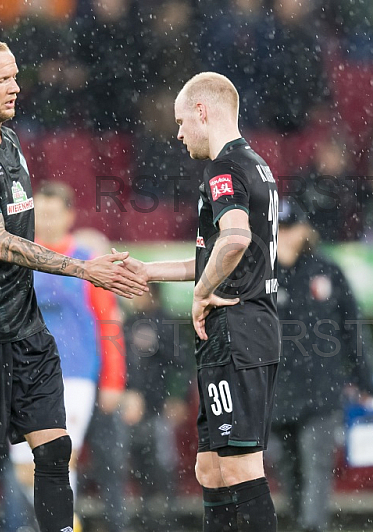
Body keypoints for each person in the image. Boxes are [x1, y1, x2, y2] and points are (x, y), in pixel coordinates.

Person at [0, 36, 147, 532]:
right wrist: (84, 268)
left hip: (26, 330)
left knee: (55, 449)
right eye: (1, 79)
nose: (15, 87)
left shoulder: (10, 140)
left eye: (15, 75)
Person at [122, 72, 280, 531]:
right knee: (210, 468)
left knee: (240, 468)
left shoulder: (224, 168)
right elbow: (224, 253)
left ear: (202, 112)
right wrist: (151, 271)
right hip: (246, 329)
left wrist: (202, 293)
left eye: (180, 121)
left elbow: (233, 239)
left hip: (236, 331)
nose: (177, 133)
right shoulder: (257, 165)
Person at [9, 182, 127, 532]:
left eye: (52, 212)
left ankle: (60, 526)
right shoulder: (19, 256)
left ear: (69, 216)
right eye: (40, 213)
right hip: (26, 373)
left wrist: (113, 379)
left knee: (59, 458)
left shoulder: (87, 262)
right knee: (22, 466)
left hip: (74, 373)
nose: (45, 219)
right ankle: (61, 522)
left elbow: (109, 322)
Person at [271, 198, 373, 532]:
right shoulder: (260, 276)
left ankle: (311, 527)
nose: (286, 236)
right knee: (288, 470)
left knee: (316, 464)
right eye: (280, 228)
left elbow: (352, 329)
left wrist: (365, 382)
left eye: (291, 227)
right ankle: (302, 522)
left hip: (321, 390)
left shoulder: (328, 271)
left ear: (305, 230)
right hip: (276, 393)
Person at [122, 285, 190, 531]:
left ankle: (168, 513)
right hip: (131, 406)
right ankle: (146, 512)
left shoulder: (165, 323)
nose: (135, 297)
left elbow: (182, 365)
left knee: (162, 460)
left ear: (153, 294)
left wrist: (176, 396)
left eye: (140, 292)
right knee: (138, 461)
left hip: (158, 404)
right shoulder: (128, 322)